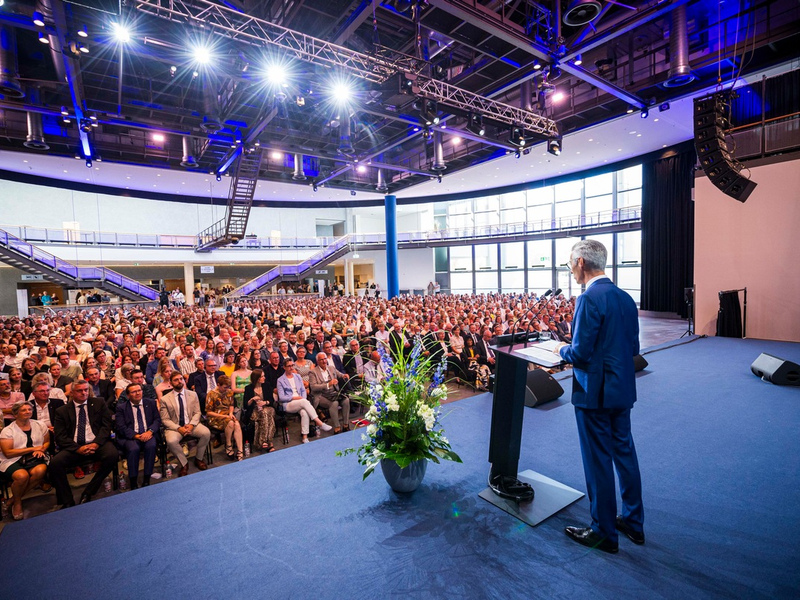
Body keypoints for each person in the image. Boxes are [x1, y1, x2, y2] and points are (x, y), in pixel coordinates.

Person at [555, 239, 644, 554]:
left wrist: (559, 349)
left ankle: (604, 532)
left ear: (580, 262)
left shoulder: (588, 299)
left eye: (570, 263)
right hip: (622, 389)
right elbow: (633, 349)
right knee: (624, 454)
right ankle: (633, 522)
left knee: (598, 462)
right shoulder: (625, 298)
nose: (571, 270)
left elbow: (579, 353)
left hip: (594, 394)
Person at [50, 380, 118, 508]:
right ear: (72, 393)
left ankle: (89, 491)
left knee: (112, 455)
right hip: (74, 447)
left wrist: (96, 443)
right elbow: (60, 436)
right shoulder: (62, 411)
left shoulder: (99, 403)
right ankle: (67, 500)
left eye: (86, 390)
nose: (84, 393)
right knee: (55, 463)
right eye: (80, 390)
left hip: (96, 443)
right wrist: (78, 448)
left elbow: (106, 425)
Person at [0, 401, 49, 520]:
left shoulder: (40, 424)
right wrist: (33, 448)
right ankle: (17, 503)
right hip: (12, 460)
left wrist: (42, 449)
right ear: (15, 414)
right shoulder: (8, 430)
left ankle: (12, 500)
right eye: (23, 410)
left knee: (41, 470)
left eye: (29, 409)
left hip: (34, 457)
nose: (28, 412)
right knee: (22, 476)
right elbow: (8, 453)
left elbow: (47, 442)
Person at [160, 372, 210, 476]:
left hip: (191, 424)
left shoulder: (193, 394)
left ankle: (199, 458)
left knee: (206, 433)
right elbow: (165, 420)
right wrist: (178, 428)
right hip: (175, 427)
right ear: (170, 383)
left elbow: (197, 412)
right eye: (176, 380)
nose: (179, 381)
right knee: (171, 441)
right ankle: (184, 464)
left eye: (181, 379)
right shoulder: (165, 399)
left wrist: (191, 424)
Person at [115, 382, 161, 489]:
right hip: (131, 436)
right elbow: (121, 427)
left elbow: (157, 420)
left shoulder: (150, 403)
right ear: (128, 395)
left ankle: (146, 478)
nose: (137, 393)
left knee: (151, 446)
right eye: (134, 392)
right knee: (133, 449)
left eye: (139, 390)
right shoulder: (121, 408)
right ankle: (133, 480)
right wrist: (136, 436)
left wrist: (149, 432)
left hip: (148, 433)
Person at [276, 360, 332, 444]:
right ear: (284, 367)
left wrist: (302, 398)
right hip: (288, 403)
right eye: (289, 366)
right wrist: (295, 398)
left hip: (301, 402)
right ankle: (319, 422)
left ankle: (305, 437)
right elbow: (282, 397)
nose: (291, 368)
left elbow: (303, 390)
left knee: (304, 412)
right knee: (303, 402)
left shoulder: (298, 377)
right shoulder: (280, 380)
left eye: (292, 365)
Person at [308, 352, 350, 434]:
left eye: (325, 359)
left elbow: (340, 374)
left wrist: (344, 375)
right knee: (333, 404)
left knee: (346, 400)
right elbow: (313, 387)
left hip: (333, 392)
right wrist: (328, 384)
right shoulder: (313, 372)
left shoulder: (331, 368)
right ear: (317, 361)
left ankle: (346, 424)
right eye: (321, 360)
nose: (324, 361)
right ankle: (337, 426)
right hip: (321, 395)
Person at [205, 375, 244, 461]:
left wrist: (230, 413)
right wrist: (224, 416)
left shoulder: (229, 392)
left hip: (227, 415)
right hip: (216, 417)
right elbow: (208, 412)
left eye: (228, 387)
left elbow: (231, 405)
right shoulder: (211, 394)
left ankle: (240, 450)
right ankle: (228, 444)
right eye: (224, 387)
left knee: (236, 424)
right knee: (230, 423)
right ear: (218, 385)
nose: (226, 389)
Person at [243, 369, 276, 452]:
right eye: (262, 376)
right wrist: (252, 399)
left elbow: (272, 401)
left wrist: (265, 402)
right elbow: (245, 405)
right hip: (255, 410)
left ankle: (262, 441)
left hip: (268, 408)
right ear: (257, 378)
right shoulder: (248, 388)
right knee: (267, 417)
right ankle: (270, 442)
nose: (264, 378)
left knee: (265, 413)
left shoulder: (266, 386)